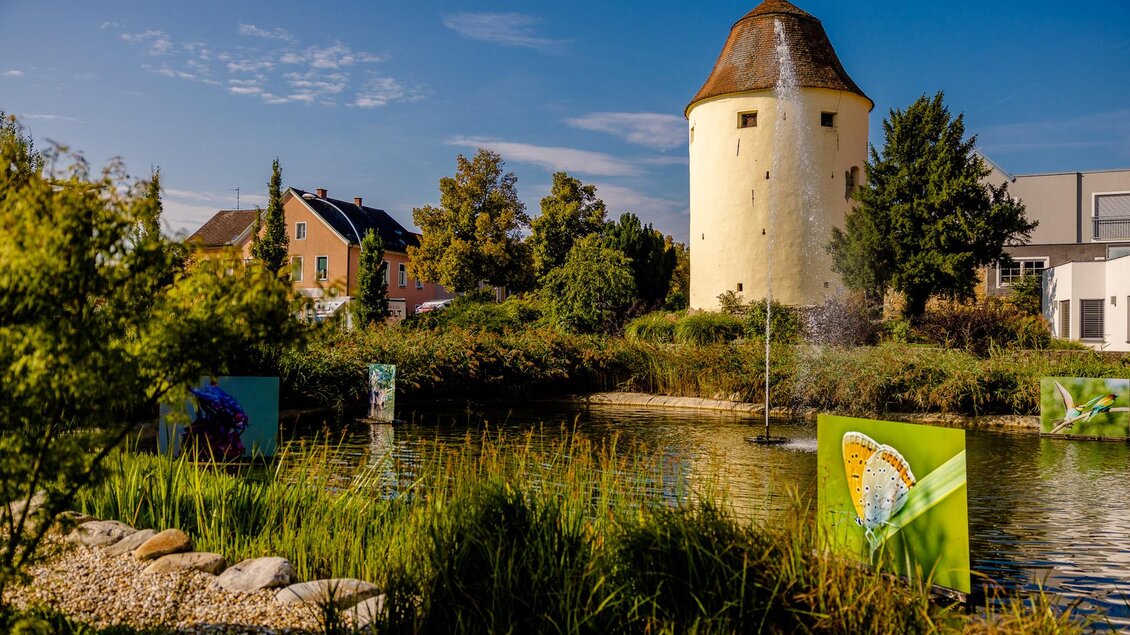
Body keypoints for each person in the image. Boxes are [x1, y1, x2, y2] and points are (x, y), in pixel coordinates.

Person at [181, 382, 248, 460]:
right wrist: (190, 389)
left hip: (220, 418)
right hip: (212, 413)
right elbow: (202, 395)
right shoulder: (216, 400)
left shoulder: (232, 411)